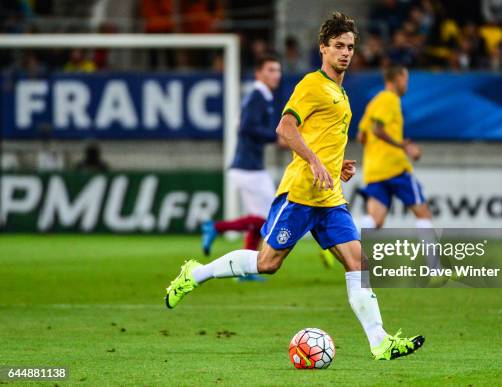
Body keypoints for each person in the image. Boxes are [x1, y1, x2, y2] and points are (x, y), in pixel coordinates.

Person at [165, 12, 425, 361]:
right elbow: (285, 128)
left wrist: (336, 165)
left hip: (330, 196)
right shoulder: (312, 85)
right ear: (323, 49)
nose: (346, 52)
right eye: (338, 46)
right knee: (267, 263)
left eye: (350, 46)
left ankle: (379, 341)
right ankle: (196, 273)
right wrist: (315, 162)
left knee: (358, 263)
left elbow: (324, 139)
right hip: (301, 192)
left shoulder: (341, 93)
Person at [200, 54, 281, 281]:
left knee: (258, 218)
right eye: (271, 70)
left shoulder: (261, 96)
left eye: (278, 70)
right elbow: (246, 128)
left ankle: (246, 270)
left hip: (249, 166)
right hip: (249, 168)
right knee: (267, 219)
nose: (277, 75)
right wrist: (276, 137)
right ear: (259, 73)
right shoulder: (257, 96)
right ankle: (216, 227)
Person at [356, 65, 442, 276]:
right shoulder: (390, 99)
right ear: (398, 78)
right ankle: (435, 268)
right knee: (423, 212)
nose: (407, 84)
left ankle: (341, 238)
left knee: (375, 220)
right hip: (394, 167)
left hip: (374, 170)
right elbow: (377, 130)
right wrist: (402, 145)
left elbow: (361, 136)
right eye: (406, 79)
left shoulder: (374, 102)